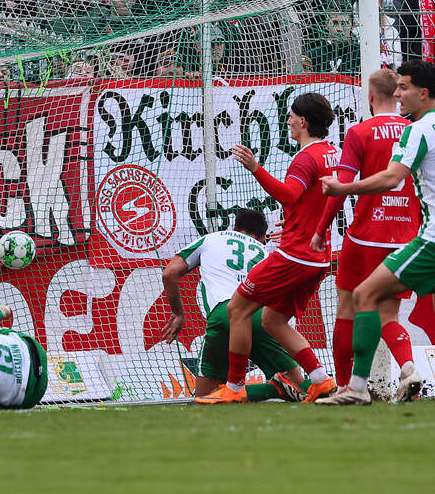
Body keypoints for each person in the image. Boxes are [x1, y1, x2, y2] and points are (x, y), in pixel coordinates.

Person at [196, 93, 339, 404]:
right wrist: (298, 224)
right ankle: (321, 380)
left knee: (237, 309)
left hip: (294, 255)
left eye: (290, 116)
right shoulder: (332, 153)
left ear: (303, 121)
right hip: (318, 256)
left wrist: (254, 168)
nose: (287, 121)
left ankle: (234, 389)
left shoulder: (305, 157)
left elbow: (289, 195)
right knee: (272, 320)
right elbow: (320, 200)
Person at [317, 61, 435, 405]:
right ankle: (402, 370)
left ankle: (352, 387)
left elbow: (390, 178)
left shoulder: (415, 130)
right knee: (383, 309)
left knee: (360, 297)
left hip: (397, 239)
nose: (399, 95)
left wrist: (342, 191)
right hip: (407, 234)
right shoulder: (410, 127)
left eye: (405, 88)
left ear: (422, 93)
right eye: (396, 88)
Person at [163, 208, 308, 401]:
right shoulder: (264, 251)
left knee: (206, 397)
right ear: (263, 236)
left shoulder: (212, 238)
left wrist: (178, 314)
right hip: (261, 317)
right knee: (299, 386)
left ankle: (275, 390)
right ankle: (339, 385)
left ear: (234, 227)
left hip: (225, 314)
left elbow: (169, 273)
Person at [303, 6, 360, 75]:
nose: (340, 29)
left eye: (344, 24)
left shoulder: (361, 55)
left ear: (352, 26)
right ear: (326, 25)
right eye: (335, 23)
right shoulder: (312, 56)